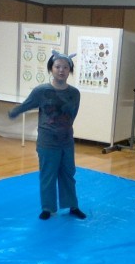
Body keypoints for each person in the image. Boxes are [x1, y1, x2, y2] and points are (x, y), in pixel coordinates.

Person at [8, 50, 86, 220]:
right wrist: (14, 112)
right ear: (51, 69)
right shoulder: (41, 91)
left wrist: (63, 129)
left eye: (65, 67)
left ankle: (72, 206)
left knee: (68, 174)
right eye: (57, 67)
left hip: (66, 141)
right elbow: (27, 105)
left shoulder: (74, 93)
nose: (61, 70)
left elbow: (72, 115)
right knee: (48, 175)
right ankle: (47, 208)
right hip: (47, 142)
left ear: (70, 70)